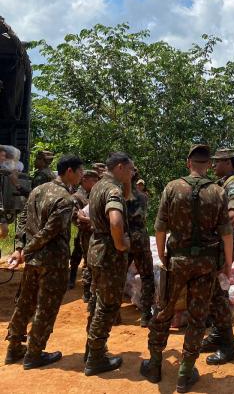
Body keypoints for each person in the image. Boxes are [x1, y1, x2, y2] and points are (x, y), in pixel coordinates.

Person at [140, 144, 233, 393]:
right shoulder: (218, 191)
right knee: (197, 316)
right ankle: (184, 373)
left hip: (177, 261)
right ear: (208, 165)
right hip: (206, 264)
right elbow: (226, 233)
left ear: (187, 162)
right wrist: (228, 265)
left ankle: (155, 365)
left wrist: (161, 253)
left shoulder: (172, 187)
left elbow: (160, 227)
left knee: (163, 311)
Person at [4, 154, 83, 368]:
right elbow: (51, 231)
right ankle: (34, 353)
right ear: (69, 172)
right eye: (80, 171)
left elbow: (23, 218)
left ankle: (14, 349)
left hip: (33, 260)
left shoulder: (38, 190)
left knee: (25, 303)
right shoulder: (66, 199)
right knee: (46, 308)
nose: (81, 176)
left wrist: (22, 248)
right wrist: (26, 249)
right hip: (53, 262)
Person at [84, 152, 134, 376]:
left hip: (96, 252)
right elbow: (115, 220)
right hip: (109, 255)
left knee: (96, 301)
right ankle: (96, 358)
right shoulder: (113, 189)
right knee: (108, 306)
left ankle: (91, 350)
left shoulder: (97, 186)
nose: (132, 173)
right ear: (121, 167)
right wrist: (121, 243)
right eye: (130, 169)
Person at [200, 148, 234, 365]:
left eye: (217, 162)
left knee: (218, 292)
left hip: (221, 243)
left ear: (228, 162)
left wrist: (211, 232)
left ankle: (229, 345)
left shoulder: (233, 183)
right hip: (216, 242)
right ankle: (218, 335)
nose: (213, 166)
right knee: (213, 290)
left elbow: (233, 216)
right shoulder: (222, 183)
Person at [125, 168, 155, 327]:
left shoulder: (117, 195)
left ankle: (114, 314)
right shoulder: (143, 197)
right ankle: (145, 316)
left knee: (118, 275)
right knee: (147, 276)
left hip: (123, 238)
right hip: (140, 238)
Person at [68, 170, 99, 294]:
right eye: (94, 181)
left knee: (91, 260)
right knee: (78, 258)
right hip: (83, 234)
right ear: (85, 180)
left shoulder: (95, 194)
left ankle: (90, 287)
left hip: (94, 234)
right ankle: (73, 280)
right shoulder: (77, 196)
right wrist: (89, 221)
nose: (96, 183)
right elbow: (75, 217)